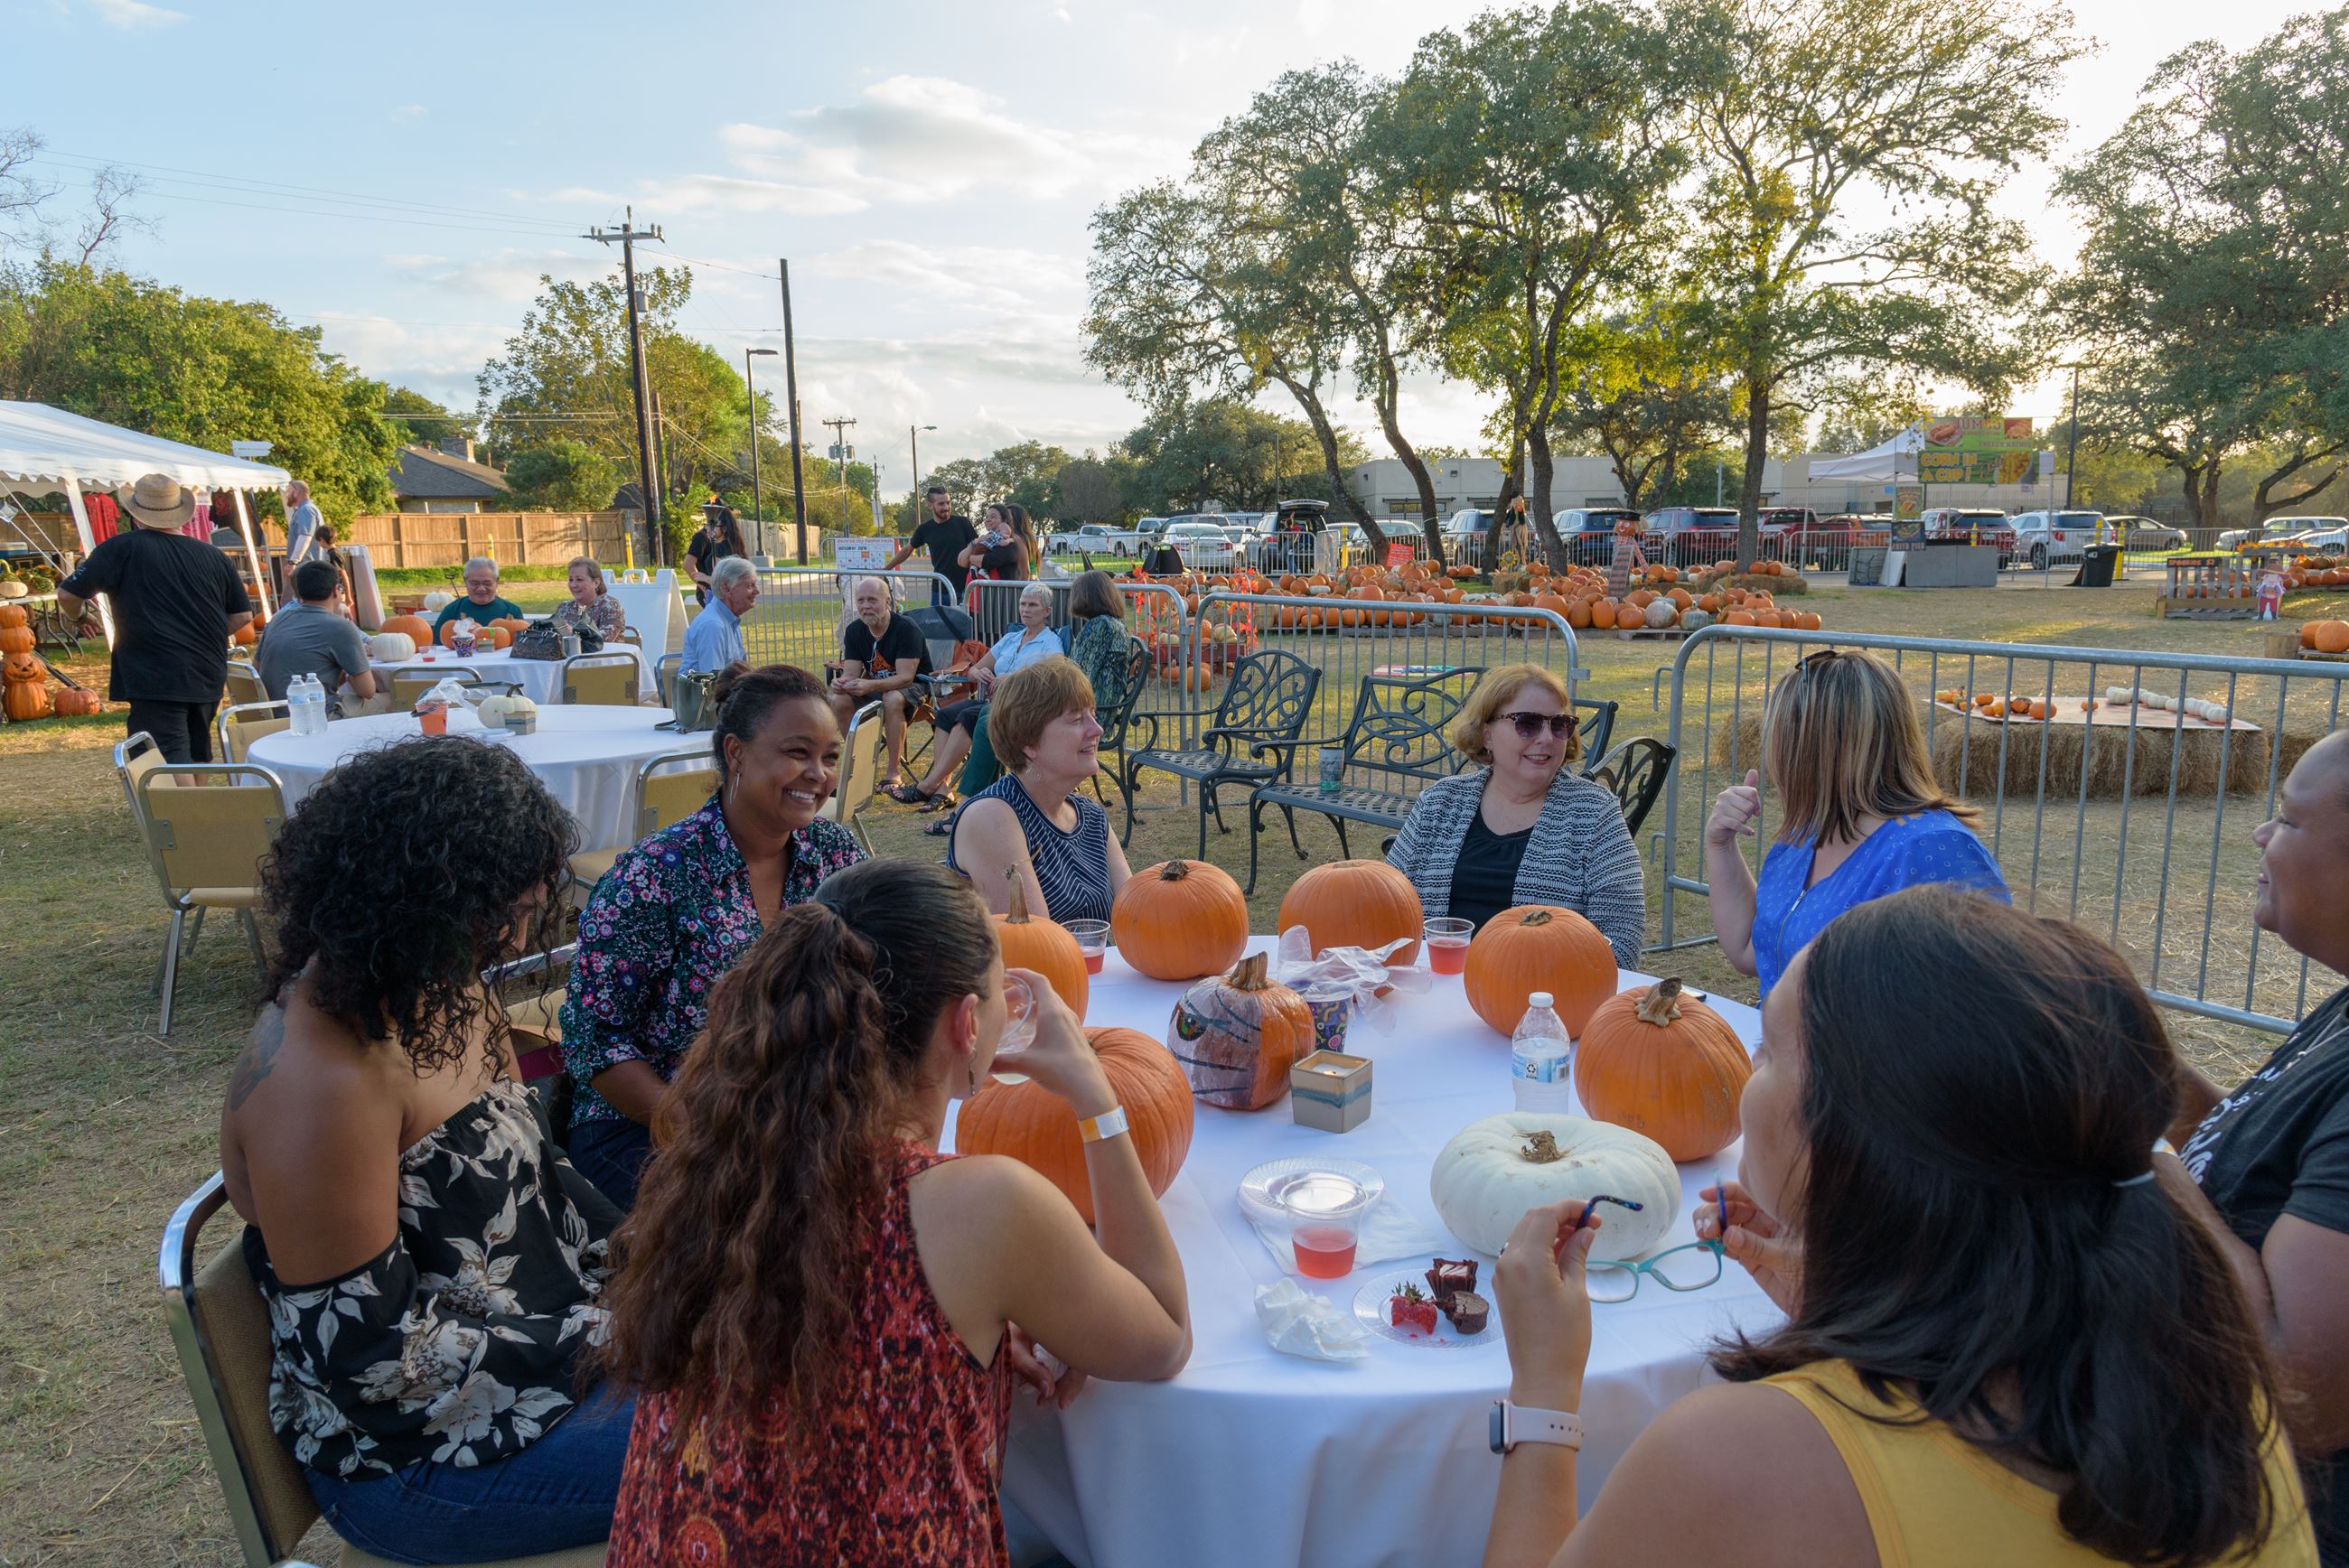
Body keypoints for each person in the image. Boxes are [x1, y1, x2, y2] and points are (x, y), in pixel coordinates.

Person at [1480, 886, 2318, 1568]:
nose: (1745, 1069)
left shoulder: (1744, 1458)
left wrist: (1545, 1388)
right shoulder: (2217, 1387)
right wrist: (1849, 1302)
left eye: (1766, 1051)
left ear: (1845, 1140)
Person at [598, 858, 1191, 1566]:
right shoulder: (985, 1205)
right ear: (970, 1024)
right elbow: (1164, 1338)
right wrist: (1097, 1099)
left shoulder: (722, 1164)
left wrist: (977, 1324)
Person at [221, 740, 629, 1566]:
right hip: (416, 1461)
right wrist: (619, 1334)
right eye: (511, 898)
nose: (528, 915)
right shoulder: (322, 1082)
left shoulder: (440, 988)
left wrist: (660, 1255)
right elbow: (376, 1367)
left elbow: (541, 1173)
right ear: (431, 898)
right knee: (775, 1438)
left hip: (536, 1356)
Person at [561, 663, 866, 1209]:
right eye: (798, 753)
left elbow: (876, 978)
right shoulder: (653, 875)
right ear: (736, 753)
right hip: (648, 1125)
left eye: (830, 756)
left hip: (791, 1115)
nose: (818, 773)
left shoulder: (837, 857)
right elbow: (597, 1043)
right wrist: (711, 1135)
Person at [2163, 729, 2349, 1563]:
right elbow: (2245, 1177)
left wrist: (2139, 1161)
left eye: (2287, 820)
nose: (2260, 837)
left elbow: (2302, 1389)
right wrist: (2125, 1052)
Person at [1705, 647, 2007, 996]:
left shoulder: (1933, 852)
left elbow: (1981, 1008)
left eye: (1782, 741)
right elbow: (1750, 952)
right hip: (1783, 1049)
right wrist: (1721, 845)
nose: (1775, 762)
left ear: (1812, 750)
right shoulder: (1806, 834)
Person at [1386, 664, 1642, 964]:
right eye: (1528, 723)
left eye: (1559, 724)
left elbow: (1622, 936)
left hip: (1541, 996)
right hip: (1437, 983)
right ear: (1487, 735)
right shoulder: (1440, 802)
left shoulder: (1595, 812)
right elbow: (1387, 903)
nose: (1547, 737)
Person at [57, 471, 254, 763]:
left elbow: (67, 596)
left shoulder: (120, 548)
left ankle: (190, 811)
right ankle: (201, 806)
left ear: (135, 514)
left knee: (166, 762)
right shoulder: (213, 555)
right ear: (180, 514)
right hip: (206, 670)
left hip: (155, 673)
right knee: (198, 754)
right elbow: (243, 615)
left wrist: (80, 617)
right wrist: (201, 636)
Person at [946, 656, 1132, 923]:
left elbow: (1137, 915)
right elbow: (1033, 943)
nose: (1097, 729)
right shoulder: (990, 817)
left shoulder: (1090, 816)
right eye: (1077, 719)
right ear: (1028, 742)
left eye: (1093, 714)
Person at [889, 583, 1063, 810]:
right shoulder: (1011, 638)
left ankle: (929, 785)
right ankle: (943, 788)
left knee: (967, 718)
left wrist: (1013, 677)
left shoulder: (1051, 642)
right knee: (944, 717)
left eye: (1033, 605)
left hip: (1017, 705)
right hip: (990, 700)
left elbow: (1054, 673)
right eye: (1022, 604)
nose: (1026, 609)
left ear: (1047, 612)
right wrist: (977, 672)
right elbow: (973, 668)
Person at [831, 576, 929, 792]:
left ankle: (893, 772)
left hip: (915, 689)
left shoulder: (905, 628)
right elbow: (851, 673)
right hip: (877, 687)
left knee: (892, 697)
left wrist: (869, 686)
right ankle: (858, 770)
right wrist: (841, 683)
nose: (866, 606)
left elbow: (906, 678)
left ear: (887, 602)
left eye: (872, 600)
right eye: (861, 600)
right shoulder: (855, 630)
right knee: (838, 700)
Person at [255, 560, 377, 716]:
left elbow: (257, 668)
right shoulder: (340, 626)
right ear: (335, 591)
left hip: (271, 713)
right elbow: (367, 690)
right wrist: (351, 666)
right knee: (390, 700)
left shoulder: (277, 619)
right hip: (314, 716)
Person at [887, 485, 978, 604]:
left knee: (969, 623)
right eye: (941, 504)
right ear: (930, 505)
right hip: (940, 590)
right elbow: (907, 550)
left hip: (966, 589)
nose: (946, 507)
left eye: (948, 503)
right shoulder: (925, 529)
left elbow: (978, 547)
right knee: (936, 623)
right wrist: (886, 569)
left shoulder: (963, 523)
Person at [679, 555, 756, 676]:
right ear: (726, 589)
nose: (757, 591)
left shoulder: (730, 620)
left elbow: (742, 675)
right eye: (749, 586)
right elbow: (713, 685)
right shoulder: (713, 626)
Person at [429, 556, 525, 637]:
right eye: (475, 583)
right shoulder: (451, 611)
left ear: (496, 582)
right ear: (465, 581)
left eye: (487, 583)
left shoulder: (512, 611)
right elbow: (438, 646)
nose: (481, 589)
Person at [550, 555, 627, 643]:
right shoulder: (564, 607)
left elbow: (606, 639)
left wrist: (573, 633)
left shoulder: (610, 606)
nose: (573, 585)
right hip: (571, 656)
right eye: (571, 580)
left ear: (596, 583)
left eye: (579, 579)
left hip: (604, 656)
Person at [686, 498, 745, 608]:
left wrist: (704, 578)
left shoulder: (722, 548)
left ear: (724, 527)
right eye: (708, 523)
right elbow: (688, 564)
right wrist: (702, 585)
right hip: (715, 593)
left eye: (713, 524)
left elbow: (724, 580)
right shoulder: (726, 544)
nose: (709, 528)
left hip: (719, 595)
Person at [1603, 518, 1646, 599]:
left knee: (1626, 583)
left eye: (1626, 524)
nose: (1622, 526)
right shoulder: (1618, 539)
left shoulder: (1631, 541)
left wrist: (1646, 568)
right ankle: (1618, 598)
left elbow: (1639, 555)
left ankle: (1627, 598)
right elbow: (1614, 553)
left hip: (1627, 568)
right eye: (1620, 523)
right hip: (1617, 567)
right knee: (1617, 584)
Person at [283, 480, 323, 565]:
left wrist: (293, 562)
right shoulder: (305, 509)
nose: (286, 495)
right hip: (309, 565)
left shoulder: (305, 510)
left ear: (296, 493)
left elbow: (305, 538)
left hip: (308, 566)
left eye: (288, 491)